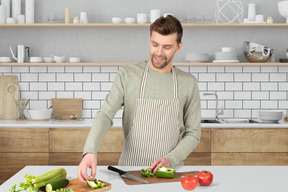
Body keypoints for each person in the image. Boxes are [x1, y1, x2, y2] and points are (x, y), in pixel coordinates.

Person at [78, 15, 201, 183]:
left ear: (178, 47)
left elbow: (193, 133)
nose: (159, 52)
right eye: (155, 44)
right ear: (149, 40)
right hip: (129, 170)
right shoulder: (128, 75)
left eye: (167, 47)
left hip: (169, 172)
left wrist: (171, 159)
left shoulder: (188, 83)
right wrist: (89, 151)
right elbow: (105, 115)